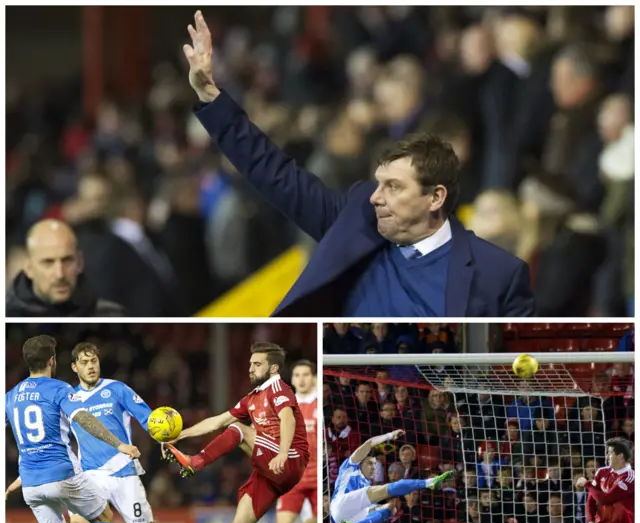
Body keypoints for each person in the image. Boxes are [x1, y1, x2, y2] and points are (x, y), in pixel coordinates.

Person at [182, 11, 535, 318]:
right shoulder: (356, 220)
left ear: (435, 197)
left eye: (394, 187)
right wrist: (212, 97)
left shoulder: (499, 275)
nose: (376, 197)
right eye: (380, 183)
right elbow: (276, 174)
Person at [161, 342, 309, 523]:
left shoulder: (279, 388)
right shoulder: (252, 398)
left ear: (273, 368)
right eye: (251, 363)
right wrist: (179, 436)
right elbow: (217, 421)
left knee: (239, 430)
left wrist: (284, 452)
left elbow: (287, 419)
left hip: (289, 460)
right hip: (269, 470)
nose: (250, 368)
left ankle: (196, 462)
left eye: (257, 364)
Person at [4, 335, 140, 523]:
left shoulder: (11, 395)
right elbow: (84, 419)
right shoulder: (59, 389)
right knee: (103, 515)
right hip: (62, 474)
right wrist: (120, 444)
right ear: (52, 361)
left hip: (31, 483)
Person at [57, 342, 177, 523]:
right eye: (85, 362)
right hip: (90, 474)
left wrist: (163, 437)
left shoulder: (117, 389)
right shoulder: (69, 400)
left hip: (124, 472)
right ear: (75, 367)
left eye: (94, 361)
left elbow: (149, 419)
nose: (91, 366)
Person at [329, 429, 454, 523]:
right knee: (390, 488)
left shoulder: (364, 487)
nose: (372, 468)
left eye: (374, 465)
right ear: (360, 462)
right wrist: (389, 436)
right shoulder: (350, 467)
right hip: (339, 506)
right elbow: (368, 443)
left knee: (390, 508)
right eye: (369, 464)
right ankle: (429, 482)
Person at [6, 220, 124, 317]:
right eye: (48, 262)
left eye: (67, 261)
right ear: (29, 268)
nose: (60, 274)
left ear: (80, 262)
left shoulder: (111, 316)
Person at [273, 360, 318, 523]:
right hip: (293, 479)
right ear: (292, 380)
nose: (301, 379)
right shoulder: (283, 407)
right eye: (297, 374)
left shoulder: (321, 405)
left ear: (313, 377)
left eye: (306, 374)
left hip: (318, 479)